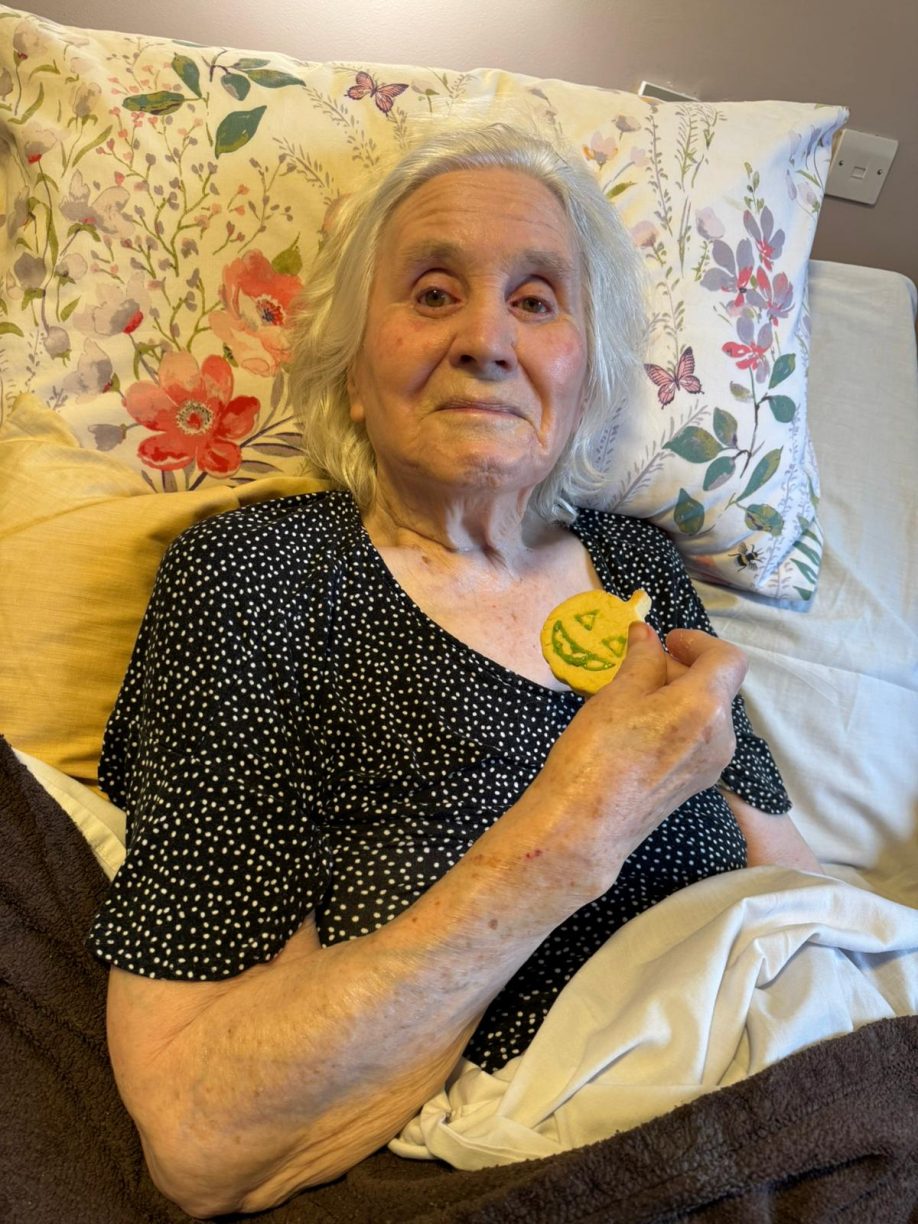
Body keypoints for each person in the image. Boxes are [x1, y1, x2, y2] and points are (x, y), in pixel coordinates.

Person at [88, 122, 820, 1217]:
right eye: (433, 293)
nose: (487, 338)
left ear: (584, 376)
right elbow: (199, 1134)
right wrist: (580, 826)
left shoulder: (639, 571)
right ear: (351, 369)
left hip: (775, 1100)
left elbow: (795, 904)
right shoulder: (260, 576)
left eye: (537, 302)